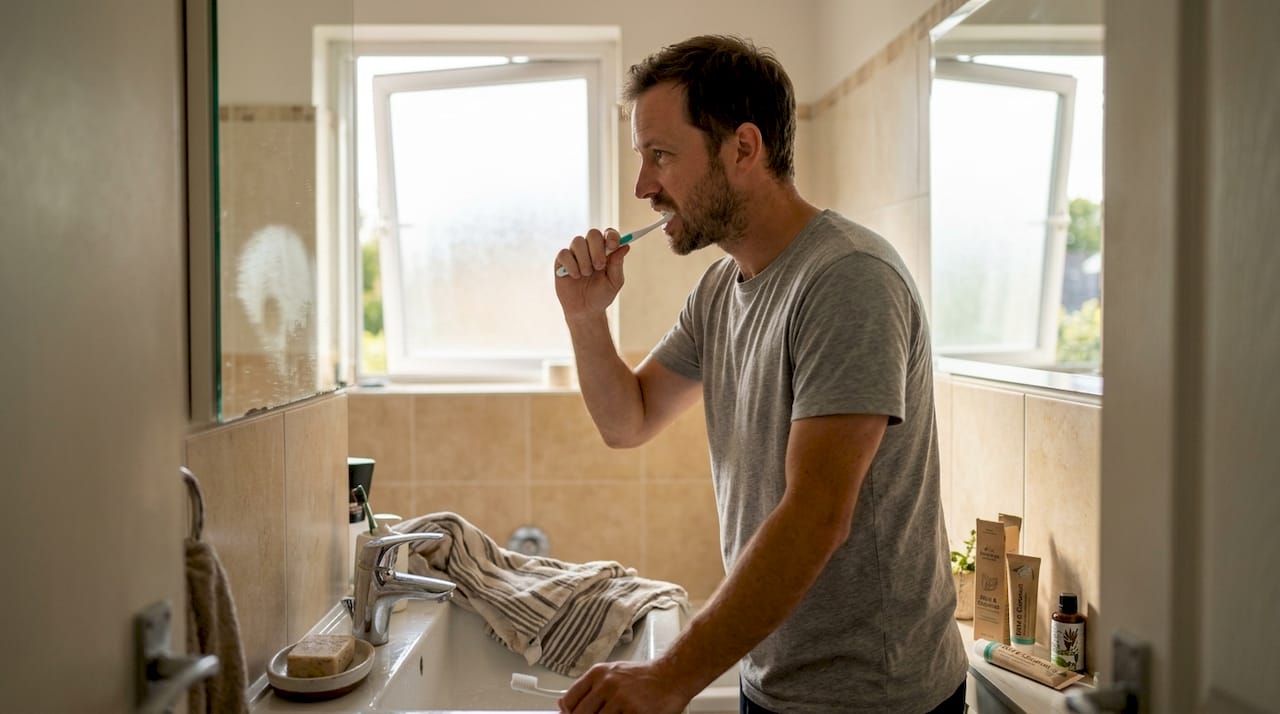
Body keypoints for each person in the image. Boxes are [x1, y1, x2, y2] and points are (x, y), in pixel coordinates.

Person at [551, 35, 966, 714]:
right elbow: (629, 421)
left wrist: (669, 676)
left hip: (872, 699)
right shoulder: (720, 290)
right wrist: (586, 317)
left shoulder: (849, 279)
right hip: (770, 678)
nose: (643, 187)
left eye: (660, 155)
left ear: (744, 148)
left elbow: (816, 516)